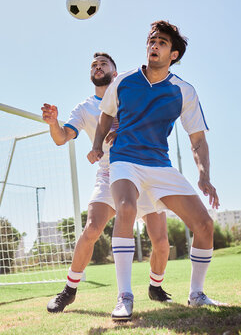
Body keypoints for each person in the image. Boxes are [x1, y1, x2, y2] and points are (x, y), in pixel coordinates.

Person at [88, 21, 225, 321]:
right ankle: (125, 296)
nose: (154, 45)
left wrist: (204, 175)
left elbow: (198, 140)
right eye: (152, 40)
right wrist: (98, 144)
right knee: (125, 208)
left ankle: (197, 294)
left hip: (160, 165)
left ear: (173, 54)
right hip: (125, 159)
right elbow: (105, 115)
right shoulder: (123, 81)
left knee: (204, 225)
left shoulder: (183, 91)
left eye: (162, 42)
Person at [42, 52, 172, 316]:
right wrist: (54, 123)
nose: (97, 66)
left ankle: (155, 287)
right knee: (91, 228)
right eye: (93, 64)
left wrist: (117, 133)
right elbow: (62, 138)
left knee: (160, 241)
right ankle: (69, 290)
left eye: (103, 63)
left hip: (143, 168)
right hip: (110, 172)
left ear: (115, 71)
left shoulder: (131, 95)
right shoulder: (84, 108)